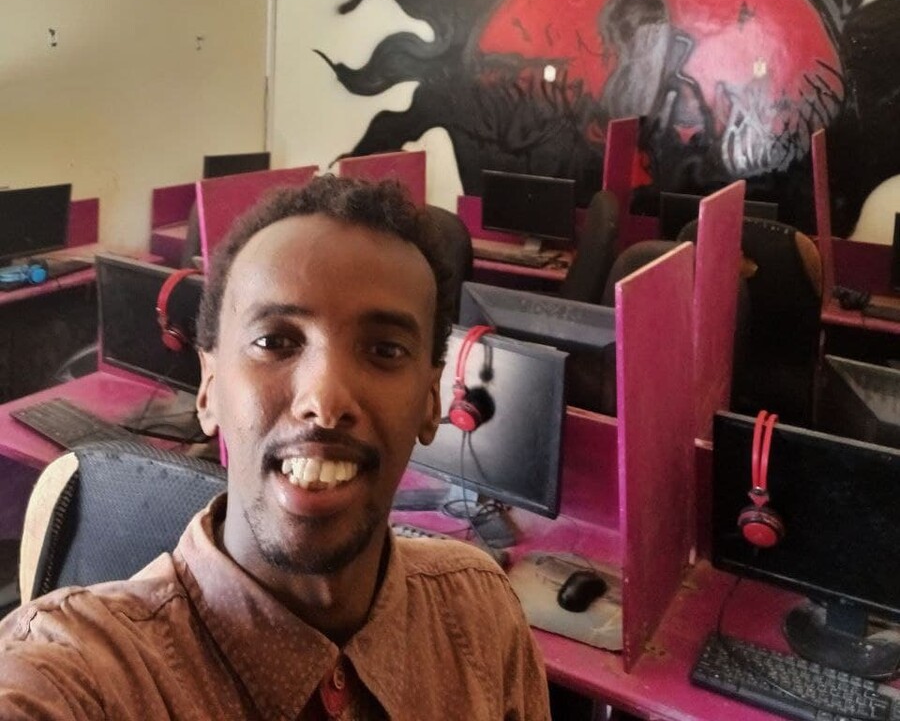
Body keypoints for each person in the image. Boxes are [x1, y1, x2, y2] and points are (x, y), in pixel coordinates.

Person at [0, 176, 551, 720]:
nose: (325, 402)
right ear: (209, 389)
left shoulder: (478, 609)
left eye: (385, 350)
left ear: (432, 402)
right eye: (274, 342)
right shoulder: (80, 674)